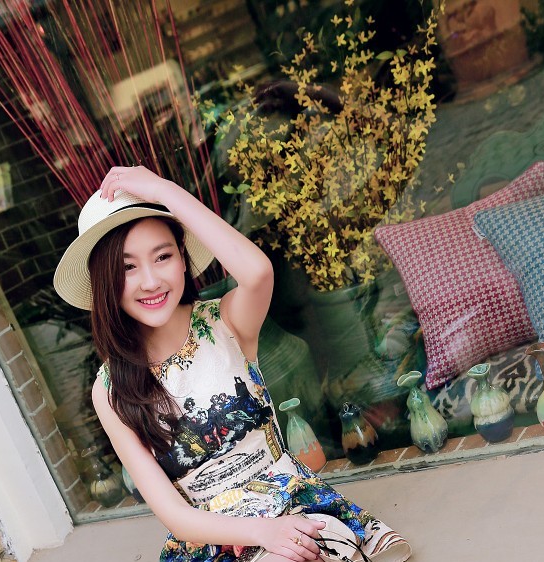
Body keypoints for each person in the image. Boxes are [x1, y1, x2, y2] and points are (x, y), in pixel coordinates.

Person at [53, 166, 412, 562]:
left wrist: (164, 190)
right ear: (103, 281)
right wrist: (259, 531)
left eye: (163, 256)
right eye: (128, 267)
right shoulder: (110, 390)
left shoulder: (225, 321)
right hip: (213, 541)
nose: (151, 281)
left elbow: (257, 272)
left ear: (183, 259)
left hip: (290, 507)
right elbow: (175, 516)